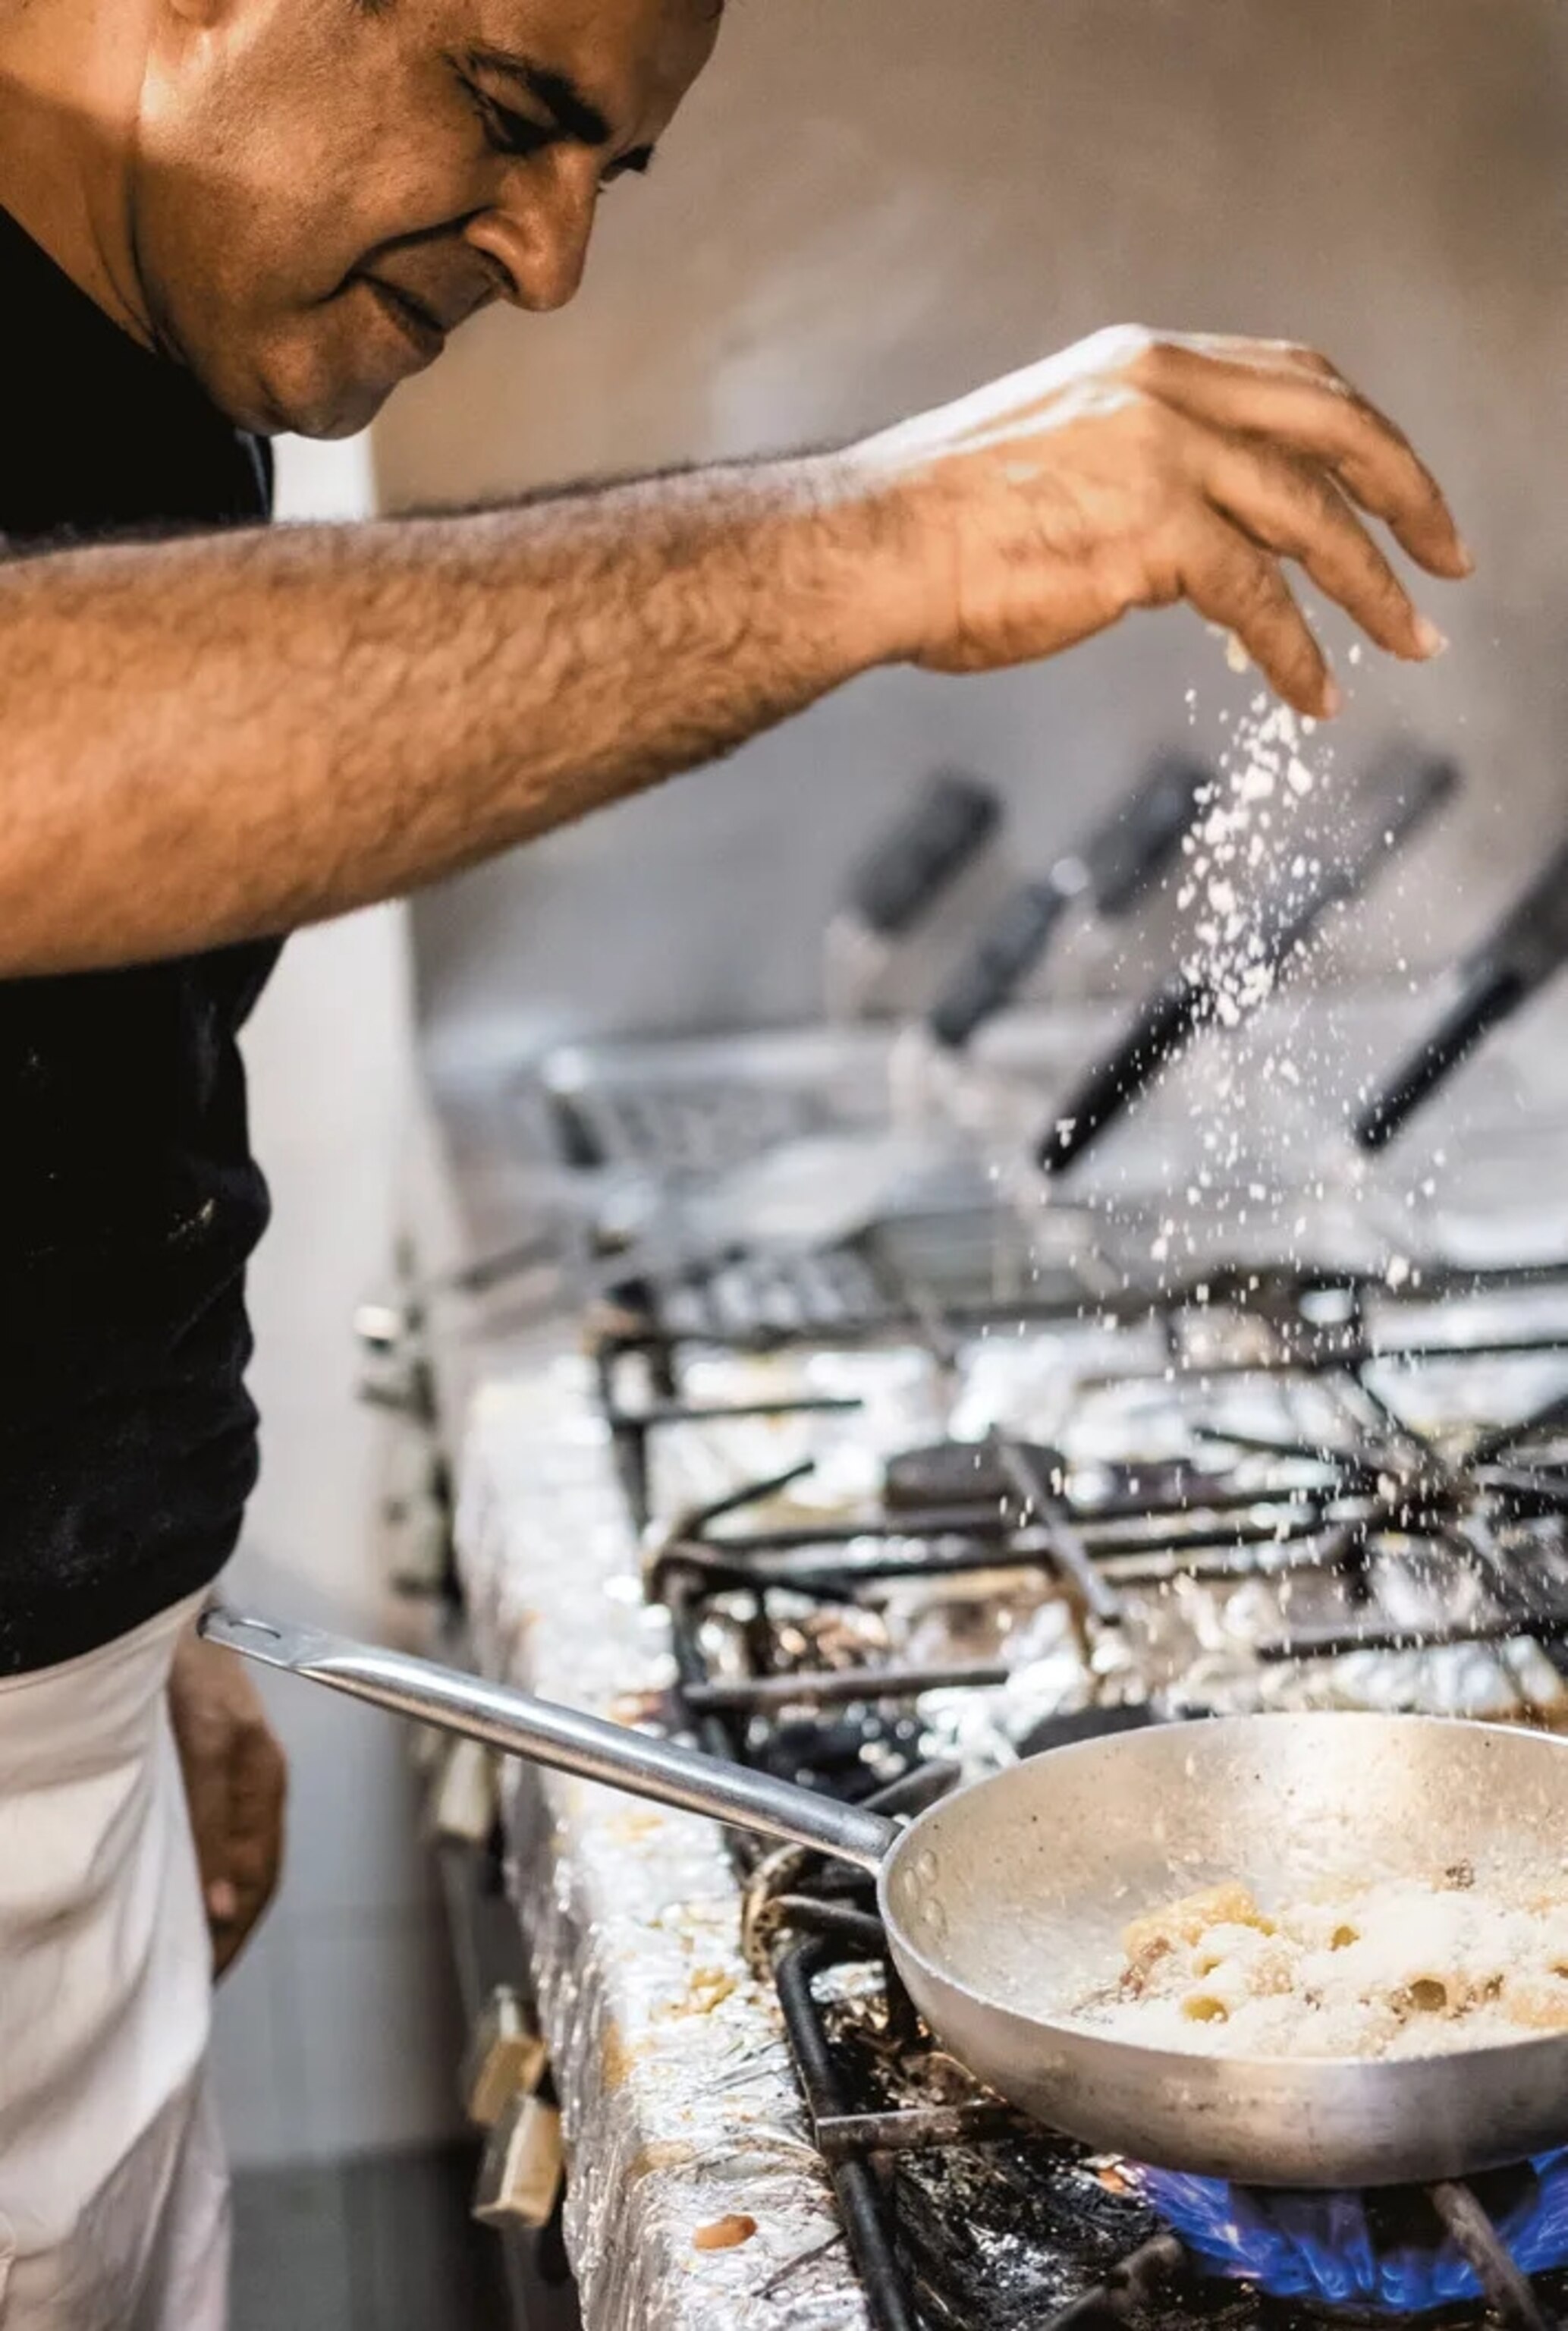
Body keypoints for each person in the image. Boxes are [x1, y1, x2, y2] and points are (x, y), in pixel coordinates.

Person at [0, 0, 1470, 2319]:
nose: (550, 260)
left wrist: (118, 1600)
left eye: (607, 174)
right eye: (507, 113)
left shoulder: (149, 336)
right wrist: (876, 536)